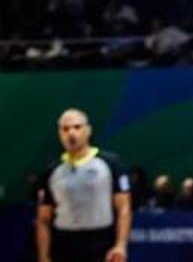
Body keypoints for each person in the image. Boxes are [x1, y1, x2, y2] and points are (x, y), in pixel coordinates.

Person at [35, 108, 132, 262]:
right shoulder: (52, 171)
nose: (71, 133)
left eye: (77, 127)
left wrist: (120, 245)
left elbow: (124, 208)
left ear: (88, 130)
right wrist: (44, 256)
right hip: (64, 243)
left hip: (101, 242)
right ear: (60, 134)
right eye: (65, 129)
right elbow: (43, 219)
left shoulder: (110, 163)